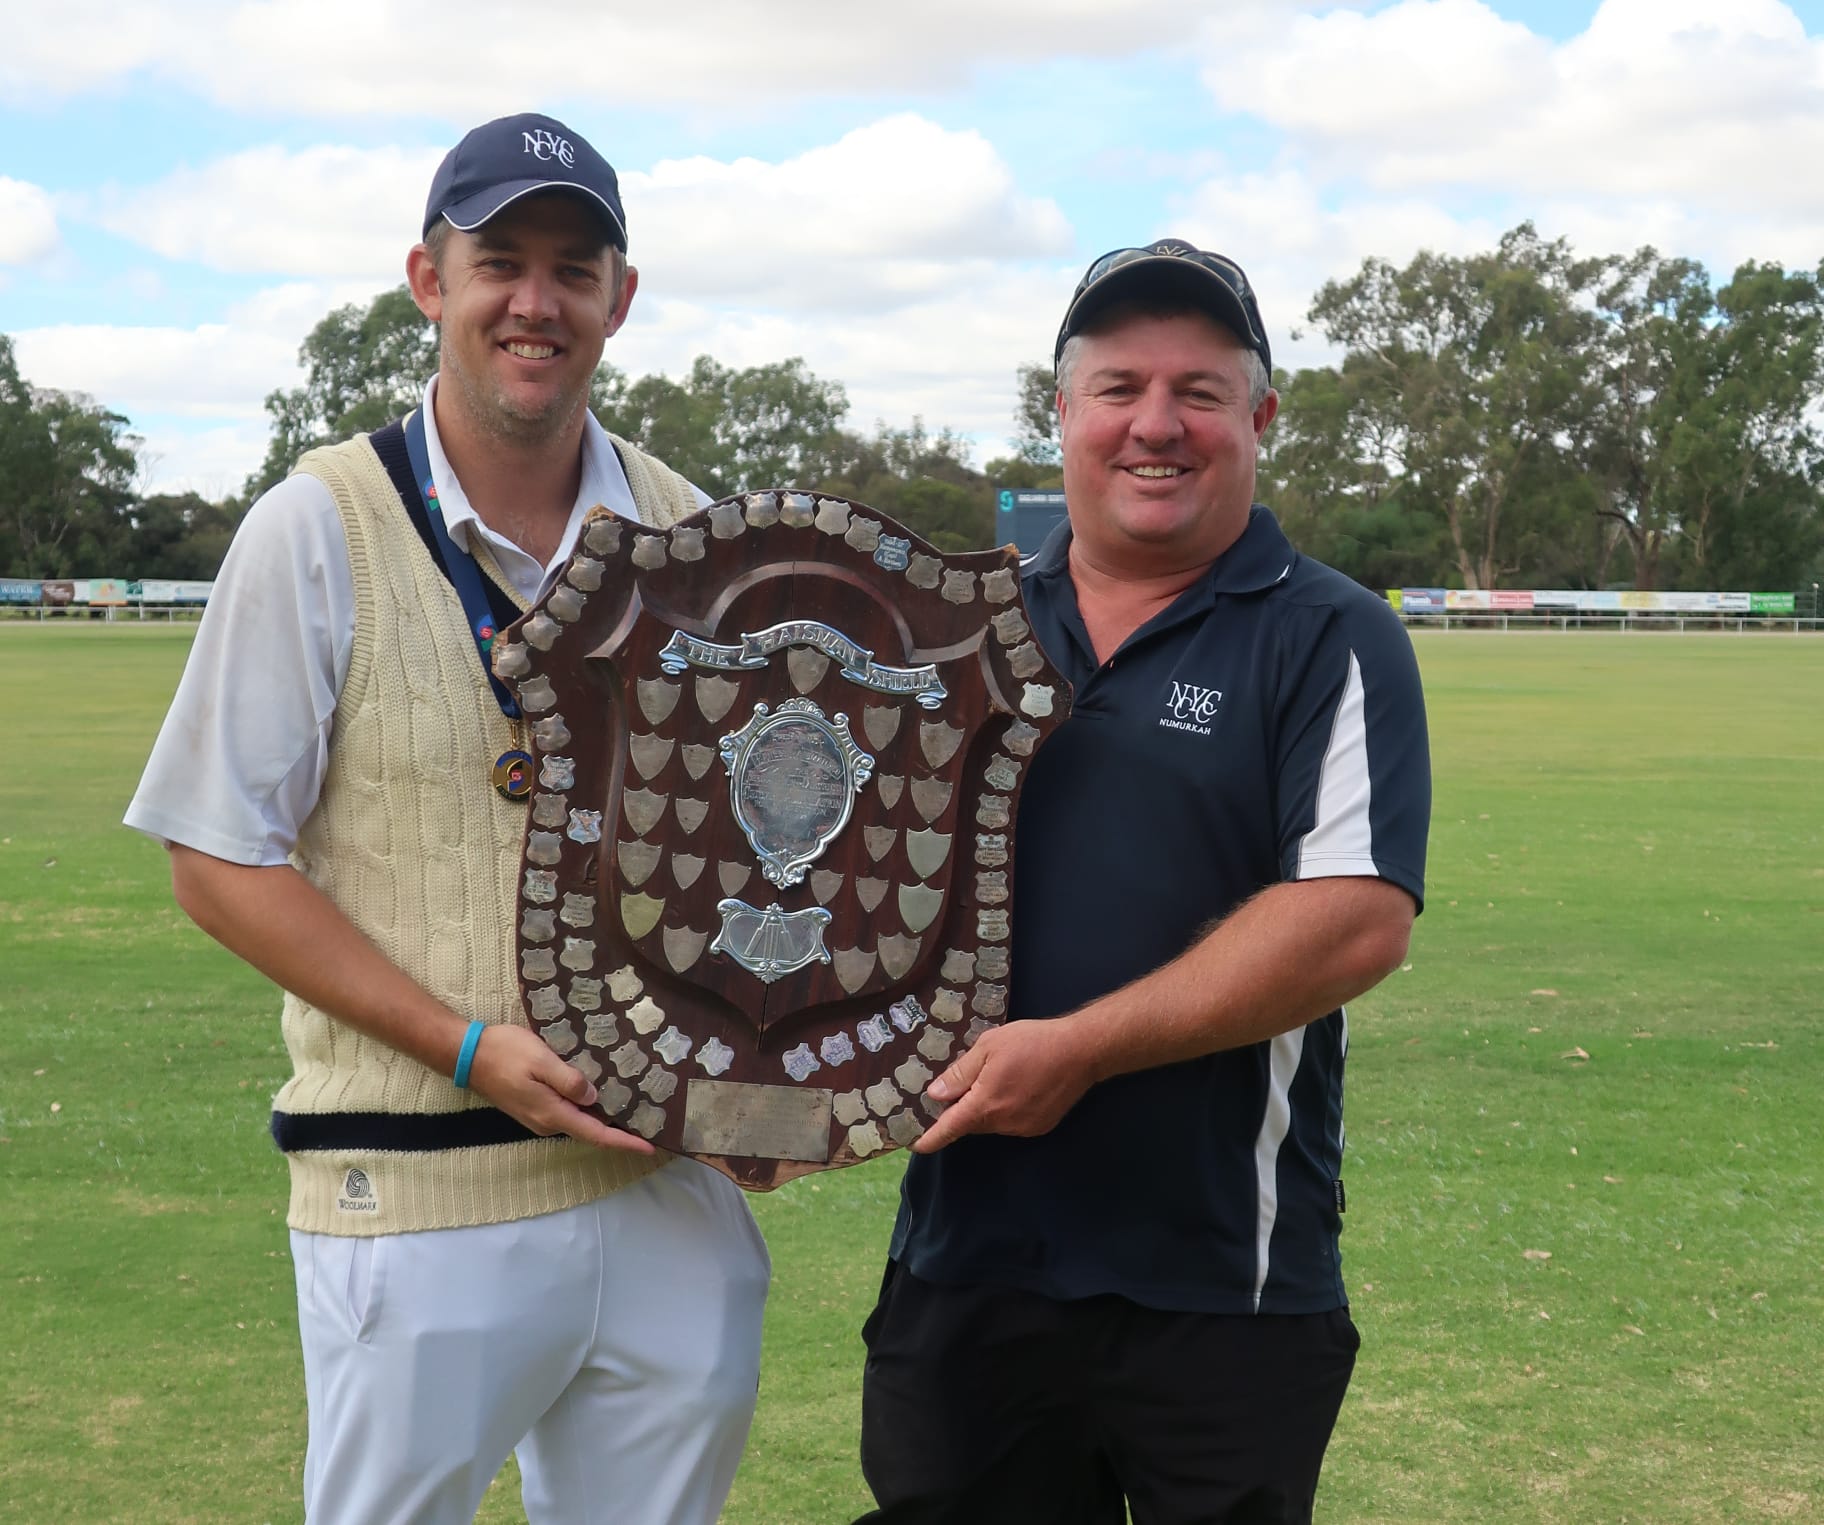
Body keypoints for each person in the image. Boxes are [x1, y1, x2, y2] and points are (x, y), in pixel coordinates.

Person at [125, 113, 770, 1525]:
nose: (536, 301)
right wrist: (470, 1047)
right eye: (501, 262)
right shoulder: (318, 524)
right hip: (413, 1198)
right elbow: (219, 859)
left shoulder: (695, 533)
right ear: (430, 278)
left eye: (574, 267)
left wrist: (765, 1065)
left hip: (666, 1193)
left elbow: (744, 856)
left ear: (620, 297)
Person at [856, 241, 1431, 1524]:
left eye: (1200, 390)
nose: (1155, 425)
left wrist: (1082, 1049)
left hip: (1226, 1283)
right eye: (1117, 387)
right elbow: (854, 887)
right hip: (966, 1265)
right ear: (1060, 410)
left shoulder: (1331, 634)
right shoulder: (960, 623)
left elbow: (1352, 920)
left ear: (1261, 416)